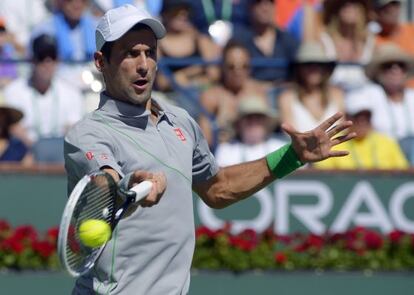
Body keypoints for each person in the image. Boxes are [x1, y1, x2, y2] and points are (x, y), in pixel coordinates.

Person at [64, 5, 355, 294]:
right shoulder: (87, 134)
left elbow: (218, 189)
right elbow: (105, 181)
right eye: (131, 53)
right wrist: (132, 185)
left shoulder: (181, 121)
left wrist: (292, 156)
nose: (144, 65)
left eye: (150, 52)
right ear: (101, 62)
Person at [3, 34, 84, 161]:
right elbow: (13, 129)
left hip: (61, 157)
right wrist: (35, 147)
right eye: (41, 57)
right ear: (32, 60)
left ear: (58, 60)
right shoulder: (13, 91)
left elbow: (74, 130)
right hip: (25, 157)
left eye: (52, 57)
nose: (47, 63)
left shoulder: (71, 92)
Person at [198, 40, 269, 148]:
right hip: (223, 154)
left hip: (255, 151)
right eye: (231, 66)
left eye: (244, 66)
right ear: (223, 67)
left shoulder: (258, 92)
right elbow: (204, 140)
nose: (238, 71)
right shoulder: (211, 96)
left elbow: (266, 130)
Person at [314, 94, 409, 169]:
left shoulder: (387, 142)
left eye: (366, 117)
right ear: (347, 118)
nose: (362, 122)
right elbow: (322, 172)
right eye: (357, 117)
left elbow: (403, 173)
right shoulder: (334, 143)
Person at [348, 43, 414, 140]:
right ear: (378, 71)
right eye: (388, 66)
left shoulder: (411, 95)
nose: (395, 70)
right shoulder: (365, 95)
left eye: (401, 65)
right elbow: (358, 128)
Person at [278, 42, 344, 132]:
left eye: (319, 65)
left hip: (337, 146)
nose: (314, 69)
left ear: (325, 68)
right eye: (308, 64)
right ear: (298, 69)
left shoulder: (337, 94)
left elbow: (343, 130)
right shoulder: (287, 98)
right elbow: (289, 134)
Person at [233, 0, 299, 83]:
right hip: (251, 93)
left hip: (285, 92)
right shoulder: (239, 42)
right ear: (249, 7)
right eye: (259, 2)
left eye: (270, 2)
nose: (265, 7)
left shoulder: (287, 40)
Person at [319, 0, 375, 92]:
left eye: (355, 4)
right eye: (344, 4)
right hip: (334, 98)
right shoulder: (325, 40)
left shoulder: (369, 41)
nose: (350, 7)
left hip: (365, 101)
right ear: (336, 10)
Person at [215, 97, 286, 166]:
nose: (254, 122)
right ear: (238, 124)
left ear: (266, 122)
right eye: (249, 117)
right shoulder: (226, 150)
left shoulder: (280, 148)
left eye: (258, 117)